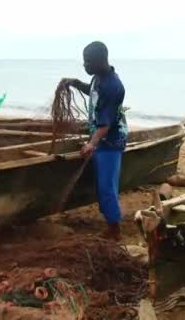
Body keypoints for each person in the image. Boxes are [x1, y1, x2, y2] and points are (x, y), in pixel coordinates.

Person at [61, 41, 128, 241]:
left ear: (101, 61)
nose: (85, 65)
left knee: (107, 185)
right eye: (84, 61)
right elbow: (92, 92)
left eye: (88, 62)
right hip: (99, 135)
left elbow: (106, 125)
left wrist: (91, 143)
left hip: (111, 140)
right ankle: (109, 219)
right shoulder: (98, 77)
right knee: (101, 184)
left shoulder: (114, 86)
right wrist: (74, 82)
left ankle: (114, 229)